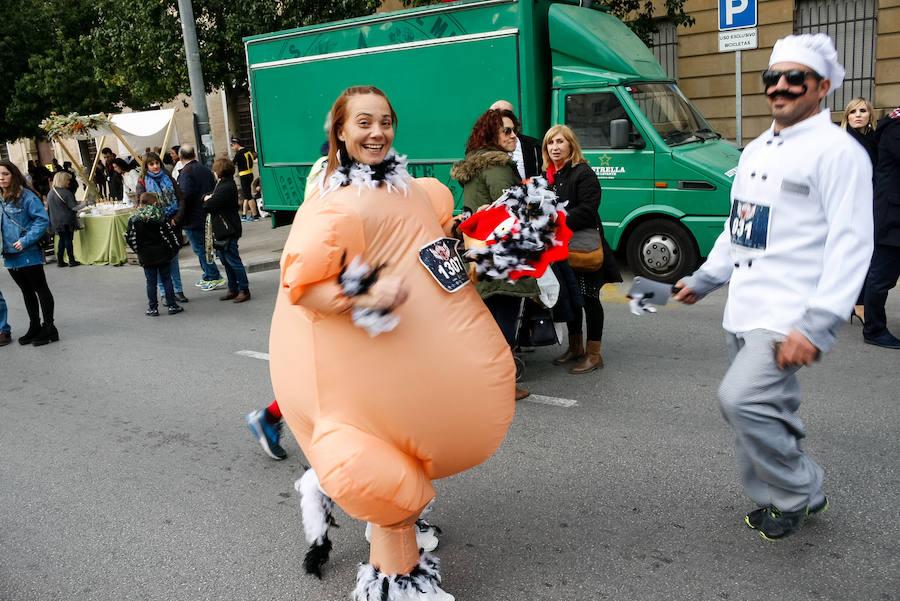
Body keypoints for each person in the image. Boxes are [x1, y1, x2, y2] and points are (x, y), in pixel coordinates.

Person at [270, 85, 514, 601]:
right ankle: (395, 581)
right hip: (357, 395)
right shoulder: (335, 205)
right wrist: (365, 289)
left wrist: (489, 249)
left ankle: (401, 521)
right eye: (363, 122)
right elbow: (303, 285)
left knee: (408, 462)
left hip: (408, 376)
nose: (377, 132)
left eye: (385, 121)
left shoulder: (407, 189)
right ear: (340, 130)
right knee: (389, 488)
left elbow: (438, 245)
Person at [673, 34, 873, 540]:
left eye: (795, 78)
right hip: (743, 306)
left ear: (823, 86)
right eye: (772, 78)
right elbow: (738, 226)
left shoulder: (839, 153)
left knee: (741, 400)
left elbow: (853, 243)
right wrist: (705, 277)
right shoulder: (759, 147)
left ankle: (800, 490)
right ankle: (775, 497)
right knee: (761, 413)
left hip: (790, 314)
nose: (780, 87)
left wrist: (820, 321)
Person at [450, 108, 537, 400]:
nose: (515, 136)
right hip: (502, 253)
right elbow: (510, 210)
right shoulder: (499, 167)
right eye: (508, 131)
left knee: (488, 316)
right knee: (505, 317)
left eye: (515, 130)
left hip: (480, 250)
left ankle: (481, 378)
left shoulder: (475, 166)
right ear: (492, 136)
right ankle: (502, 384)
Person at [543, 124, 621, 374]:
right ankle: (575, 348)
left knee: (589, 299)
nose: (555, 147)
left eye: (560, 142)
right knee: (571, 298)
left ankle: (594, 354)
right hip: (560, 247)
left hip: (583, 246)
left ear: (571, 145)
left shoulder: (583, 172)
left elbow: (589, 208)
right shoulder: (549, 176)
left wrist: (557, 218)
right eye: (551, 143)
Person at [0, 160, 58, 346]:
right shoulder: (1, 198)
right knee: (26, 291)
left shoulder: (26, 196)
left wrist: (24, 241)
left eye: (5, 174)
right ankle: (34, 326)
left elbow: (41, 220)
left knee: (40, 289)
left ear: (14, 174)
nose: (1, 178)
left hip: (27, 251)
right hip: (9, 253)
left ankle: (49, 328)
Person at [861, 105, 900, 349]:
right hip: (893, 216)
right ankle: (873, 329)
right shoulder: (895, 128)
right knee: (881, 277)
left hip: (893, 211)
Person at [838, 98, 877, 324]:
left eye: (863, 111)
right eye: (853, 112)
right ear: (847, 116)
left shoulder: (874, 139)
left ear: (870, 115)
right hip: (848, 206)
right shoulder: (843, 142)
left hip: (870, 204)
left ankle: (857, 303)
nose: (858, 115)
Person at [135, 152, 189, 304]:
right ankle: (165, 292)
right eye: (151, 164)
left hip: (172, 223)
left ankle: (178, 290)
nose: (155, 166)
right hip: (156, 226)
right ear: (146, 166)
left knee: (174, 258)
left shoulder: (169, 178)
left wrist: (177, 218)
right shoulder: (142, 182)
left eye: (157, 163)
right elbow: (141, 206)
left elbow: (181, 199)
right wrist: (157, 221)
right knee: (159, 260)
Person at [125, 192, 184, 317]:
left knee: (151, 282)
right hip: (163, 253)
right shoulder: (161, 217)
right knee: (167, 279)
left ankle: (153, 308)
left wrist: (138, 250)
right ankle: (172, 305)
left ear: (140, 203)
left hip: (146, 255)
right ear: (155, 203)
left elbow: (130, 238)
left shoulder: (134, 219)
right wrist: (174, 250)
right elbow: (170, 235)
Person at [176, 144, 225, 291]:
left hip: (194, 217)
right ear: (195, 155)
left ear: (180, 157)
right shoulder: (204, 169)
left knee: (201, 248)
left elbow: (185, 195)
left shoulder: (187, 172)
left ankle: (213, 275)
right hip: (207, 213)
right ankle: (208, 275)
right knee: (205, 247)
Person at [204, 158, 250, 303]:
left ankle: (244, 289)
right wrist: (208, 197)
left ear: (220, 171)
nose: (213, 172)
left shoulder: (225, 186)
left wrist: (206, 198)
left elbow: (210, 205)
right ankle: (233, 288)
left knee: (233, 261)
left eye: (215, 170)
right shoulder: (223, 184)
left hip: (228, 228)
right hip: (223, 228)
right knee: (225, 260)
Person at [490, 99, 542, 179]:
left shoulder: (534, 146)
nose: (502, 118)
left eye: (506, 114)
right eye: (495, 115)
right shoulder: (480, 149)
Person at [47, 171, 83, 268]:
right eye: (67, 180)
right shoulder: (66, 192)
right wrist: (84, 204)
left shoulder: (51, 192)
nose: (69, 182)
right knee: (68, 240)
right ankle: (71, 260)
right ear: (63, 180)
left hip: (55, 221)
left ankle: (60, 260)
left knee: (62, 240)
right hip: (66, 220)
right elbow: (74, 207)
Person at [231, 138, 259, 221]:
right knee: (246, 195)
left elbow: (232, 164)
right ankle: (244, 215)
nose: (232, 147)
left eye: (233, 145)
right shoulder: (248, 151)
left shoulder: (239, 153)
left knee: (249, 196)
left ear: (236, 144)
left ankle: (255, 215)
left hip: (244, 175)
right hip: (250, 174)